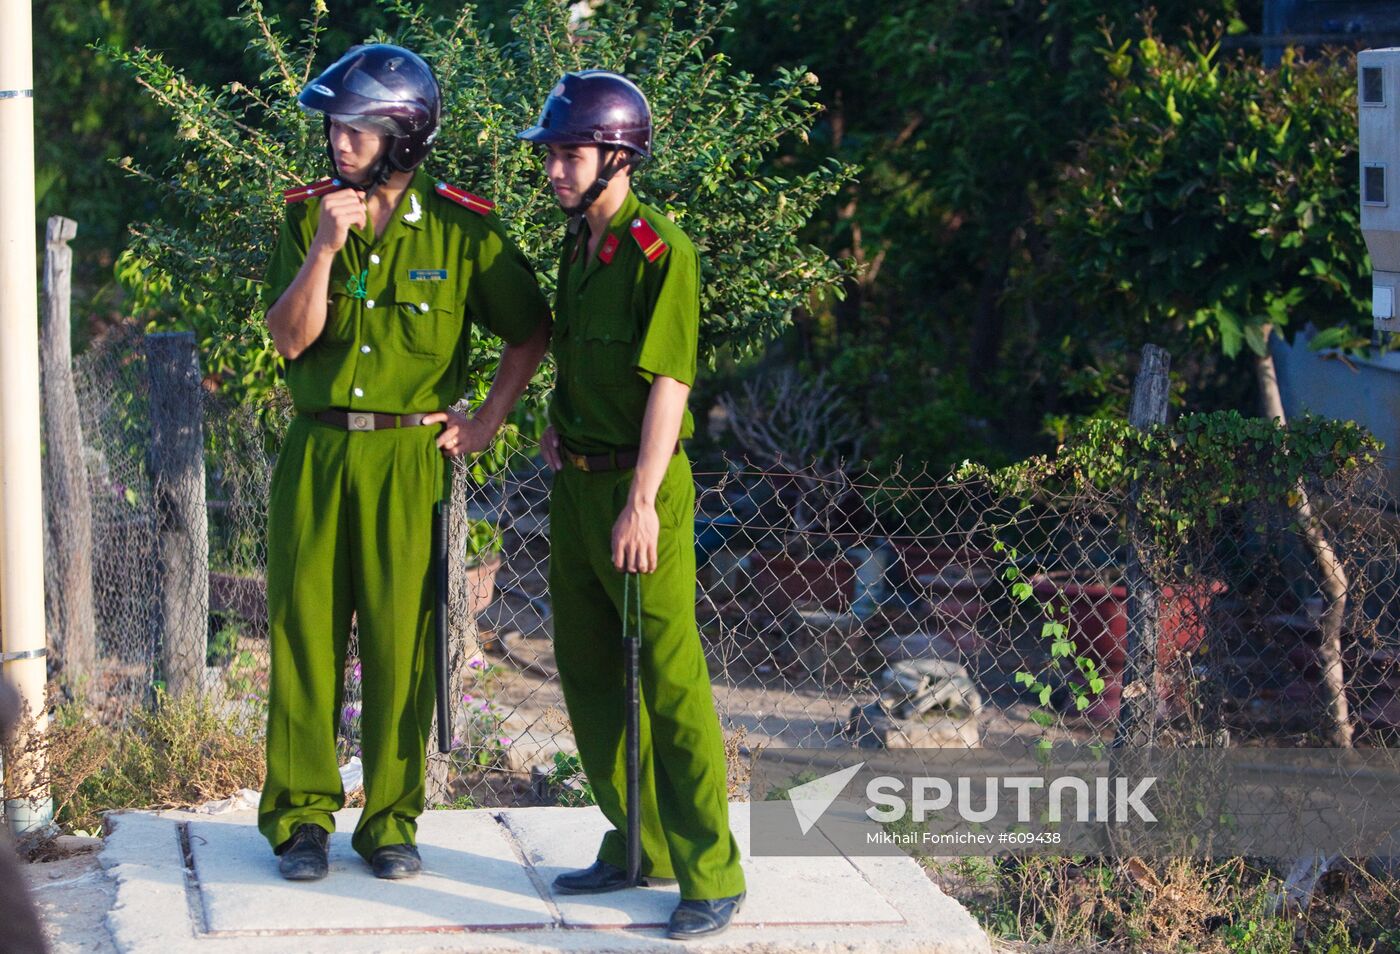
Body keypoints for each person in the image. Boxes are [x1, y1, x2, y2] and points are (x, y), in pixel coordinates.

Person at [258, 43, 550, 882]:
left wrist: (489, 418)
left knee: (403, 642)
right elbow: (288, 340)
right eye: (334, 126)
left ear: (404, 137)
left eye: (356, 128)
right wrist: (324, 249)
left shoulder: (461, 227)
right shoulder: (306, 217)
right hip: (319, 452)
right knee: (304, 636)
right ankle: (300, 819)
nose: (338, 140)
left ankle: (389, 822)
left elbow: (530, 328)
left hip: (408, 457)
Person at [517, 70, 746, 939]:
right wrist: (557, 420)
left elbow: (670, 383)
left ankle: (711, 873)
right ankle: (636, 841)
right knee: (587, 672)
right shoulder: (579, 246)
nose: (554, 171)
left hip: (636, 491)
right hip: (578, 485)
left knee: (669, 680)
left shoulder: (662, 252)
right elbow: (581, 355)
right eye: (551, 155)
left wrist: (642, 500)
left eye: (569, 155)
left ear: (617, 157)